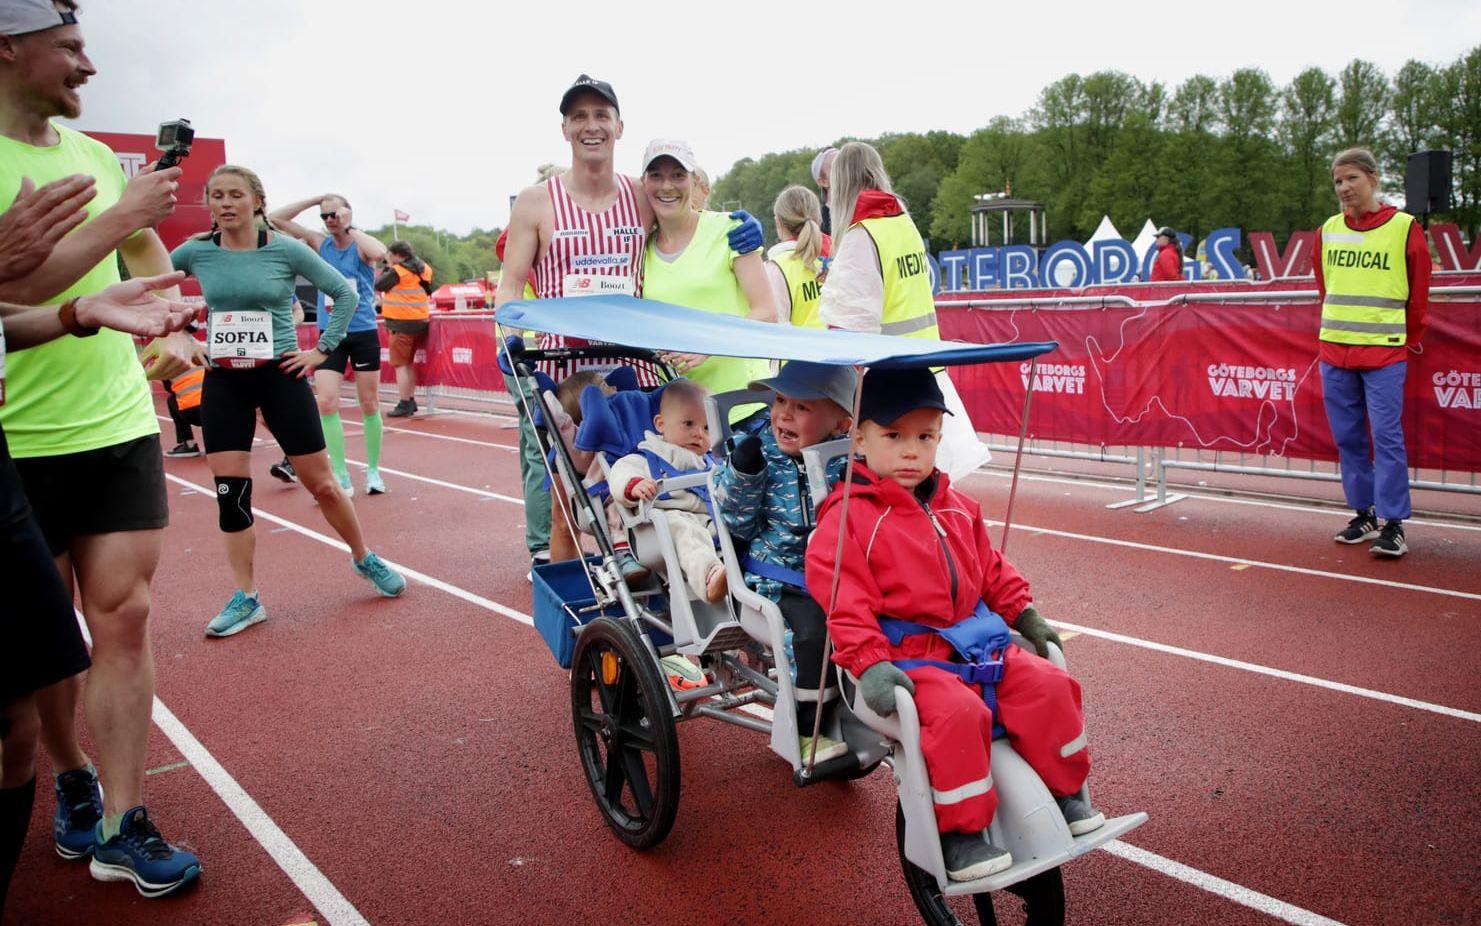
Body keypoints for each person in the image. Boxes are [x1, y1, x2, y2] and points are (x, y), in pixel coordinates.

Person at [0, 0, 207, 895]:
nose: (89, 65)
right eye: (71, 47)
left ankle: (123, 818)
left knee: (124, 618)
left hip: (116, 425)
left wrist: (160, 317)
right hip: (14, 439)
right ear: (9, 47)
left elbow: (140, 247)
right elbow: (18, 287)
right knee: (47, 648)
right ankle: (71, 776)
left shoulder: (89, 158)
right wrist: (121, 215)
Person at [806, 367, 1103, 882]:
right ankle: (959, 833)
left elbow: (993, 571)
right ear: (859, 437)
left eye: (924, 437)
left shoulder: (958, 507)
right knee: (957, 715)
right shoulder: (846, 518)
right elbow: (844, 604)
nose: (910, 451)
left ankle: (1067, 792)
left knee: (1050, 684)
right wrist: (870, 665)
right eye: (893, 436)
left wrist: (1024, 615)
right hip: (908, 661)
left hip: (980, 647)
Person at [495, 75, 764, 569]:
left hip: (633, 376)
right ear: (564, 128)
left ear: (619, 127)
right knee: (568, 510)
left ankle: (656, 610)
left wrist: (738, 229)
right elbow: (510, 284)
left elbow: (686, 214)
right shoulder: (536, 202)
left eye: (601, 116)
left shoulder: (639, 194)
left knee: (650, 499)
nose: (590, 126)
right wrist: (510, 338)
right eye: (580, 117)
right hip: (565, 377)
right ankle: (576, 616)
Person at [171, 165, 407, 637]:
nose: (224, 203)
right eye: (216, 195)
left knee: (321, 484)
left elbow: (343, 293)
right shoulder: (196, 251)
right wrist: (181, 330)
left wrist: (320, 350)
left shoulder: (286, 249)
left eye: (235, 194)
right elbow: (153, 284)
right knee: (231, 494)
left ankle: (364, 557)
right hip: (224, 379)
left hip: (280, 375)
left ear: (257, 201)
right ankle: (247, 597)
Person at [819, 141, 989, 481]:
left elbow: (850, 324)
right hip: (926, 368)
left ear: (840, 185)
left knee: (897, 485)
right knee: (932, 483)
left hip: (888, 380)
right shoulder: (903, 223)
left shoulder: (862, 235)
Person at [715, 361, 854, 764]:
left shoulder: (848, 458)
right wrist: (745, 471)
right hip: (778, 577)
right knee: (812, 632)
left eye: (802, 407)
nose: (783, 415)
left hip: (837, 571)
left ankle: (858, 704)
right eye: (779, 400)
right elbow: (734, 522)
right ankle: (806, 727)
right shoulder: (761, 455)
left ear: (843, 425)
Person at [1316, 147, 1429, 558]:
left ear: (1373, 179)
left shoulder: (1404, 227)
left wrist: (1404, 336)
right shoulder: (1328, 229)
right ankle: (1363, 513)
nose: (1344, 188)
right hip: (1336, 354)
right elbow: (1325, 285)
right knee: (1348, 439)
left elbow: (1419, 292)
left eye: (1351, 179)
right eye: (1338, 182)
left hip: (1383, 355)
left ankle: (1394, 522)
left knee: (1386, 437)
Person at [639, 138, 776, 422]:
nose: (667, 186)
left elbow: (767, 313)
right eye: (656, 175)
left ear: (693, 180)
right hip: (684, 421)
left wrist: (707, 346)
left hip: (745, 407)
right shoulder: (640, 249)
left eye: (678, 175)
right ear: (644, 182)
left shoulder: (731, 230)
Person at [269, 192, 389, 496]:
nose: (329, 220)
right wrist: (314, 201)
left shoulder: (359, 247)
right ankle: (341, 473)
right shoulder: (318, 242)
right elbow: (276, 219)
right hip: (330, 334)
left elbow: (379, 251)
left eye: (334, 214)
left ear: (347, 213)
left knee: (369, 403)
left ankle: (373, 471)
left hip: (362, 331)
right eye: (324, 216)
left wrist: (350, 227)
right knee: (326, 402)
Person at [608, 380, 725, 602]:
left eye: (707, 427)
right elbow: (620, 474)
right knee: (686, 532)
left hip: (709, 518)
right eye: (688, 424)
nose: (699, 434)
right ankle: (709, 578)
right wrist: (634, 485)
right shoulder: (648, 456)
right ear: (660, 424)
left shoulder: (709, 461)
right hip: (662, 525)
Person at [374, 240, 434, 418]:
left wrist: (388, 266)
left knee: (401, 365)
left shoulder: (397, 271)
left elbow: (379, 285)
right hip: (420, 320)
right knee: (408, 364)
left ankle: (405, 402)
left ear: (397, 255)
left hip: (401, 323)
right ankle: (410, 399)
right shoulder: (424, 268)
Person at [765, 186, 826, 329]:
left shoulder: (775, 268)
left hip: (801, 350)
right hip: (842, 348)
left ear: (778, 222)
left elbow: (777, 331)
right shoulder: (836, 257)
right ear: (818, 219)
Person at [161, 366, 204, 457]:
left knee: (171, 400)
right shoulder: (200, 357)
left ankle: (189, 444)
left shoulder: (167, 363)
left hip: (192, 413)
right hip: (215, 410)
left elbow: (170, 389)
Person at [811, 147, 837, 235]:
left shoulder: (867, 212)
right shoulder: (817, 228)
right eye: (837, 167)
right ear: (823, 181)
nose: (847, 171)